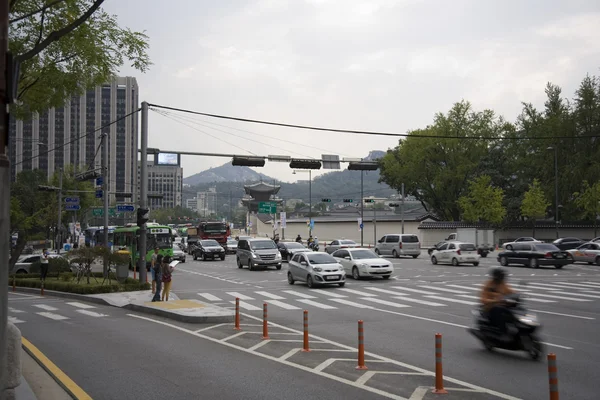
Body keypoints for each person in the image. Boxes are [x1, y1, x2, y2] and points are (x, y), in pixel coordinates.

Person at [480, 267, 515, 336]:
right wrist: (494, 301)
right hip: (490, 308)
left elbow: (510, 291)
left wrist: (518, 296)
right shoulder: (488, 285)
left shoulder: (502, 284)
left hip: (502, 305)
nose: (502, 278)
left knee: (513, 310)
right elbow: (483, 299)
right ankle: (502, 331)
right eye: (501, 276)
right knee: (498, 310)